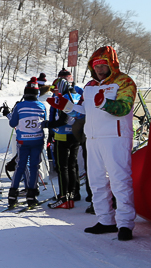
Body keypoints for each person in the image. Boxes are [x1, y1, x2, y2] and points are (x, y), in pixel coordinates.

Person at [48, 46, 137, 240]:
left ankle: (125, 224)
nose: (99, 68)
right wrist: (66, 107)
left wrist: (105, 103)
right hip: (93, 138)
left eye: (103, 64)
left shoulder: (124, 82)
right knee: (96, 181)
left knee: (119, 181)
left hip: (116, 138)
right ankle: (105, 220)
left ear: (111, 64)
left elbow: (124, 107)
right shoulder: (89, 86)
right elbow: (82, 111)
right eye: (96, 65)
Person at [4, 80, 47, 210]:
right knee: (34, 167)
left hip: (23, 141)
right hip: (37, 140)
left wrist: (9, 113)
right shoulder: (42, 105)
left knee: (20, 166)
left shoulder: (20, 106)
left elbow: (12, 123)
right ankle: (31, 196)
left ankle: (12, 196)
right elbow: (44, 121)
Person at [46, 70, 81, 209]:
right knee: (72, 166)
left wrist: (47, 124)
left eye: (54, 90)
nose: (53, 93)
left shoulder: (63, 97)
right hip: (76, 135)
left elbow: (63, 119)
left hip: (63, 136)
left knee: (62, 168)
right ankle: (72, 194)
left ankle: (63, 197)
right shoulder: (76, 95)